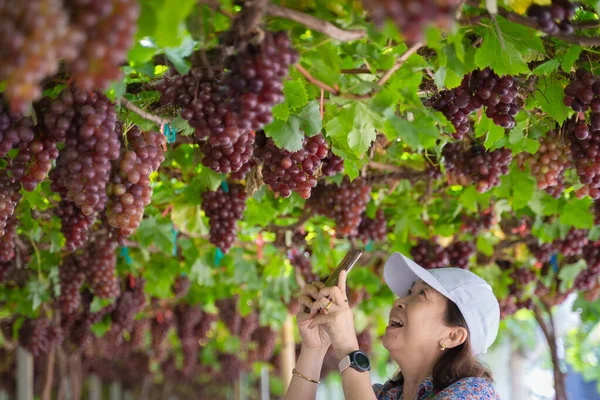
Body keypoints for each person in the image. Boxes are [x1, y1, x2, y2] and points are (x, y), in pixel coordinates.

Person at [284, 252, 501, 400]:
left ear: (453, 336)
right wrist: (314, 348)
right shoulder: (386, 396)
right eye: (409, 292)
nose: (398, 301)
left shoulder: (475, 394)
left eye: (422, 294)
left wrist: (348, 348)